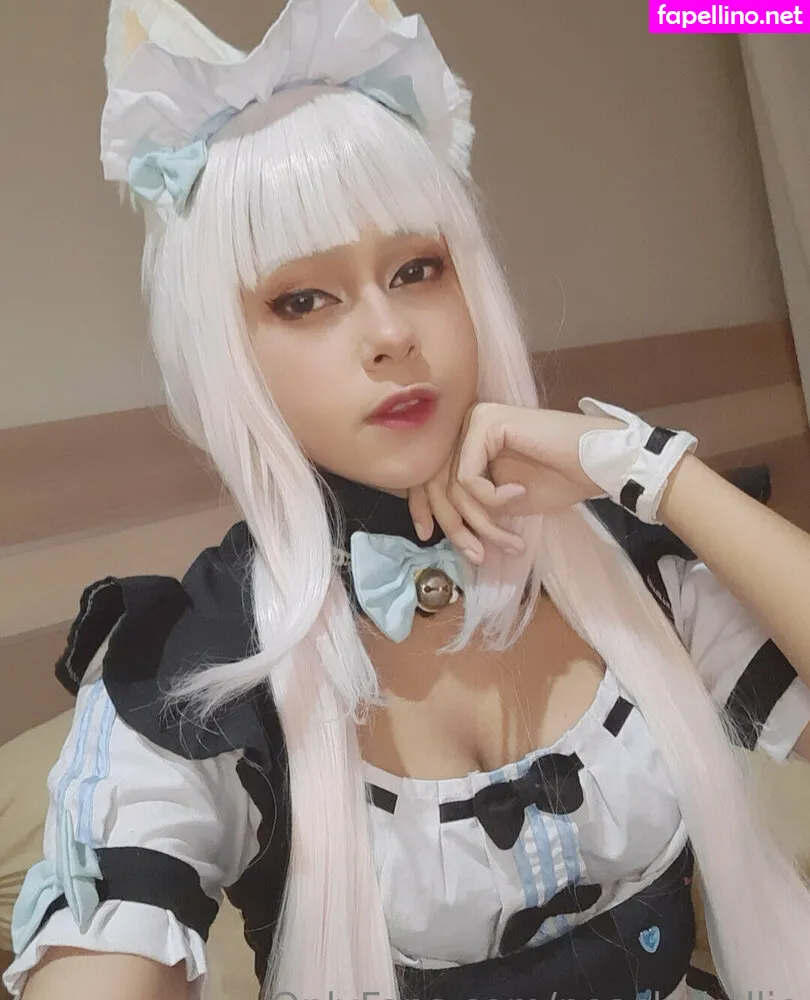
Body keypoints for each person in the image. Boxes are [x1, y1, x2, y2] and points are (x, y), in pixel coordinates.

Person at [5, 1, 810, 998]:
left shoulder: (628, 554)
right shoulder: (198, 668)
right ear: (222, 348)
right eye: (304, 299)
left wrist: (650, 467)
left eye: (416, 268)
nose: (390, 333)